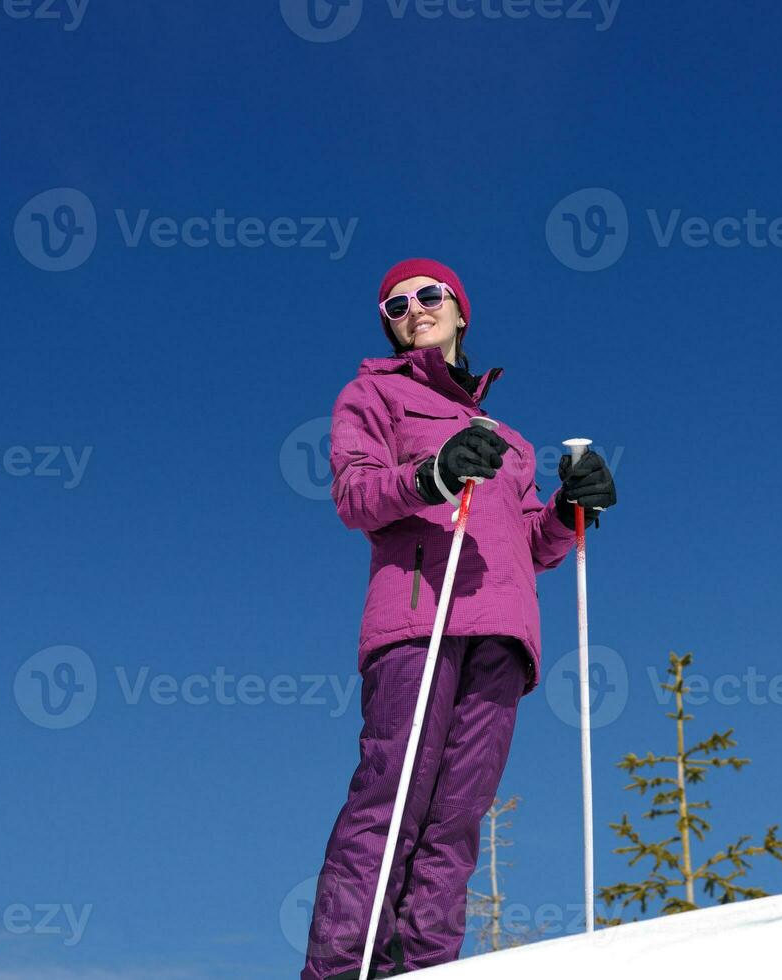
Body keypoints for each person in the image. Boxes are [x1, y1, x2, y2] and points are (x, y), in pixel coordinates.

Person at [300, 257, 617, 980]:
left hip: (502, 632)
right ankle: (339, 971)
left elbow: (533, 544)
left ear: (460, 310)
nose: (413, 307)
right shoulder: (372, 396)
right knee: (392, 801)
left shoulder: (504, 439)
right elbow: (355, 494)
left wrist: (573, 509)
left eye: (429, 294)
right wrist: (432, 474)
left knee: (455, 825)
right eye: (395, 303)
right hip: (419, 620)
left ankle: (424, 973)